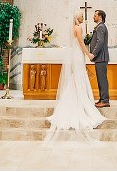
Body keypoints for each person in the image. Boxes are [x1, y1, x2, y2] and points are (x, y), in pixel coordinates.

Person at [44, 12, 104, 142]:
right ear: (77, 18)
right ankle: (81, 101)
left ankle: (72, 100)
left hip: (74, 54)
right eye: (81, 16)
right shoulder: (78, 28)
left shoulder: (72, 28)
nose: (83, 18)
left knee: (76, 77)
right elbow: (81, 43)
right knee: (79, 76)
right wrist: (88, 53)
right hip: (78, 55)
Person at [89, 9, 110, 107]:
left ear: (100, 17)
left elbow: (100, 42)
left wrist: (93, 54)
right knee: (100, 79)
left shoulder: (100, 27)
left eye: (95, 15)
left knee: (102, 80)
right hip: (100, 58)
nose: (93, 17)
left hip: (101, 57)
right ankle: (102, 99)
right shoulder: (100, 26)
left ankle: (105, 100)